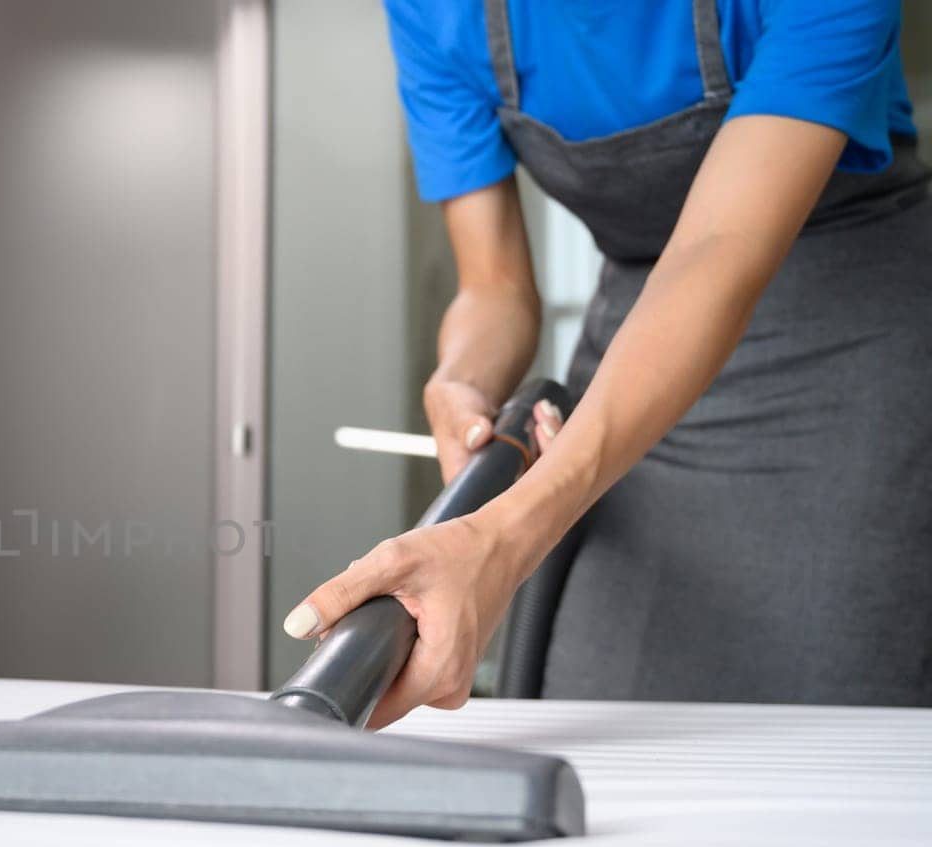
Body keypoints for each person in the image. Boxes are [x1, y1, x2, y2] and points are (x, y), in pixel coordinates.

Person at [282, 0, 932, 721]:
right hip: (634, 345)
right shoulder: (434, 12)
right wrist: (460, 379)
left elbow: (716, 255)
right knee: (602, 696)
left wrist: (504, 539)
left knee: (835, 710)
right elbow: (493, 286)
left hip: (853, 345)